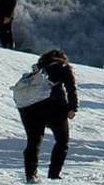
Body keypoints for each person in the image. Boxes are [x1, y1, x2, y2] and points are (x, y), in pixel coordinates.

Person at [17, 49, 79, 183]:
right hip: (55, 108)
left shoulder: (37, 70)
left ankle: (31, 176)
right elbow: (71, 88)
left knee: (33, 142)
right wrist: (73, 108)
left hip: (30, 109)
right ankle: (54, 175)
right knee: (62, 141)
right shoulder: (64, 67)